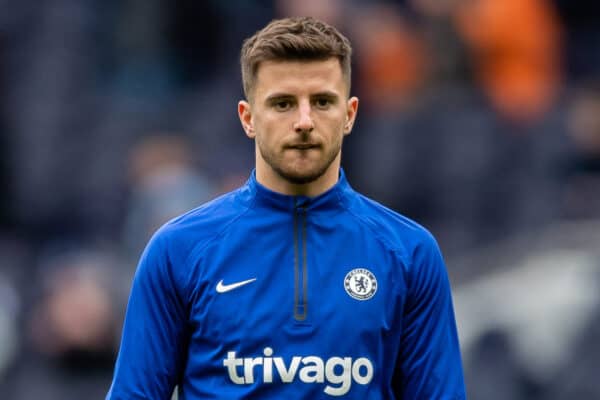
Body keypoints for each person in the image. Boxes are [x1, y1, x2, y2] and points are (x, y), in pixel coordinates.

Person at [106, 16, 466, 399]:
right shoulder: (177, 251)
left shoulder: (410, 253)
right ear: (248, 118)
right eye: (283, 103)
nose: (304, 121)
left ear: (350, 114)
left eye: (323, 102)